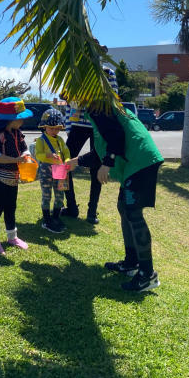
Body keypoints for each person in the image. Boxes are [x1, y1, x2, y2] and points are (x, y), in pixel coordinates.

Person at [69, 104, 164, 292]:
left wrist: (108, 164)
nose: (70, 102)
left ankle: (147, 274)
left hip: (140, 160)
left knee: (133, 212)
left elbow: (116, 137)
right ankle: (131, 262)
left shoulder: (98, 108)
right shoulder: (101, 108)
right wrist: (76, 162)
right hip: (136, 162)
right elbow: (101, 149)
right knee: (124, 207)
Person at [62, 64, 118, 224]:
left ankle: (92, 211)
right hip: (79, 124)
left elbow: (113, 98)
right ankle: (71, 206)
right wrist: (68, 126)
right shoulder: (74, 71)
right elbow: (69, 103)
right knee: (63, 164)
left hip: (97, 124)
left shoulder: (107, 72)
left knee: (96, 166)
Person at [0, 97, 33, 255]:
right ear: (11, 120)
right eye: (20, 119)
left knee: (11, 207)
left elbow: (24, 148)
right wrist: (16, 160)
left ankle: (13, 237)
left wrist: (27, 156)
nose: (22, 122)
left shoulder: (18, 133)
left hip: (12, 178)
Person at [35, 108, 76, 234]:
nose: (54, 131)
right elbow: (38, 155)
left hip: (60, 170)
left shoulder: (60, 140)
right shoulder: (41, 140)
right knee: (46, 194)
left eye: (57, 128)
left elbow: (66, 152)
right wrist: (48, 156)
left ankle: (56, 217)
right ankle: (47, 219)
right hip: (46, 170)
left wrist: (68, 160)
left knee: (60, 194)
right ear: (44, 127)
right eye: (51, 128)